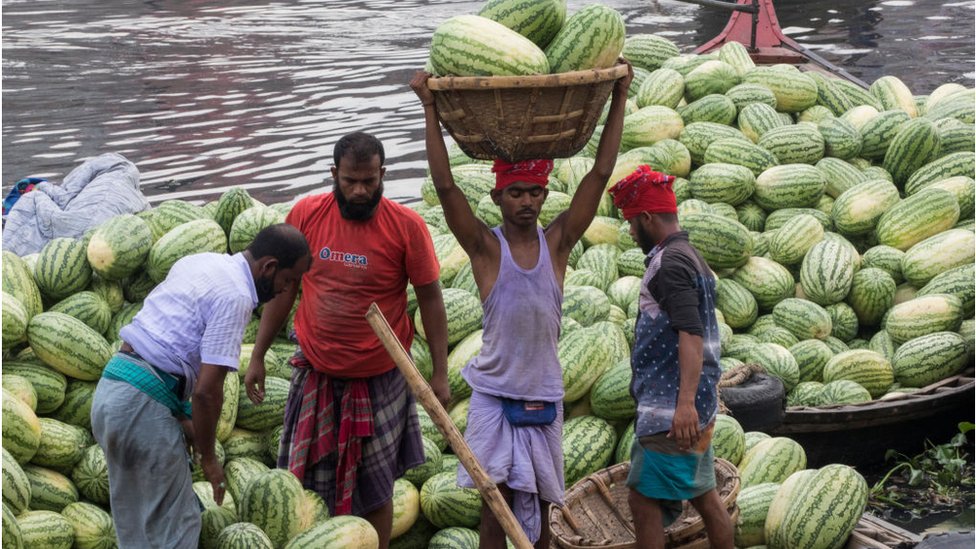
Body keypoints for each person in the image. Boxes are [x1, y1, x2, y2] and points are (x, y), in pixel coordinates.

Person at [409, 61, 633, 548]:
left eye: (534, 192)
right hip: (493, 394)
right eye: (515, 193)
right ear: (497, 197)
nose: (526, 201)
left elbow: (601, 171)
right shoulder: (486, 249)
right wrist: (430, 107)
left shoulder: (559, 244)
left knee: (549, 505)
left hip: (545, 396)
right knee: (496, 501)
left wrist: (618, 98)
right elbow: (446, 189)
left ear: (544, 194)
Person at [244, 132, 451, 548]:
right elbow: (284, 291)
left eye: (369, 182)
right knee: (306, 482)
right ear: (334, 174)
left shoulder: (407, 227)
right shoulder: (306, 214)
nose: (359, 191)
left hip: (379, 378)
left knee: (375, 488)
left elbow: (430, 298)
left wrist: (441, 375)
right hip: (317, 373)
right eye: (350, 181)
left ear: (383, 176)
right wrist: (259, 355)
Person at [90, 223, 311, 549]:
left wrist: (181, 416)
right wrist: (209, 457)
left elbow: (165, 342)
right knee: (176, 530)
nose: (286, 290)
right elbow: (208, 391)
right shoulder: (236, 295)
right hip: (141, 409)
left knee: (138, 527)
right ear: (269, 267)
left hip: (114, 393)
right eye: (288, 280)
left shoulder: (202, 262)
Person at [607, 166, 733, 549]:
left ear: (647, 218)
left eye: (631, 222)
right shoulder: (690, 255)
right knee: (705, 497)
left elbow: (691, 333)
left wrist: (683, 405)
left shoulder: (670, 264)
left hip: (672, 411)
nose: (630, 232)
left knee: (643, 501)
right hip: (692, 403)